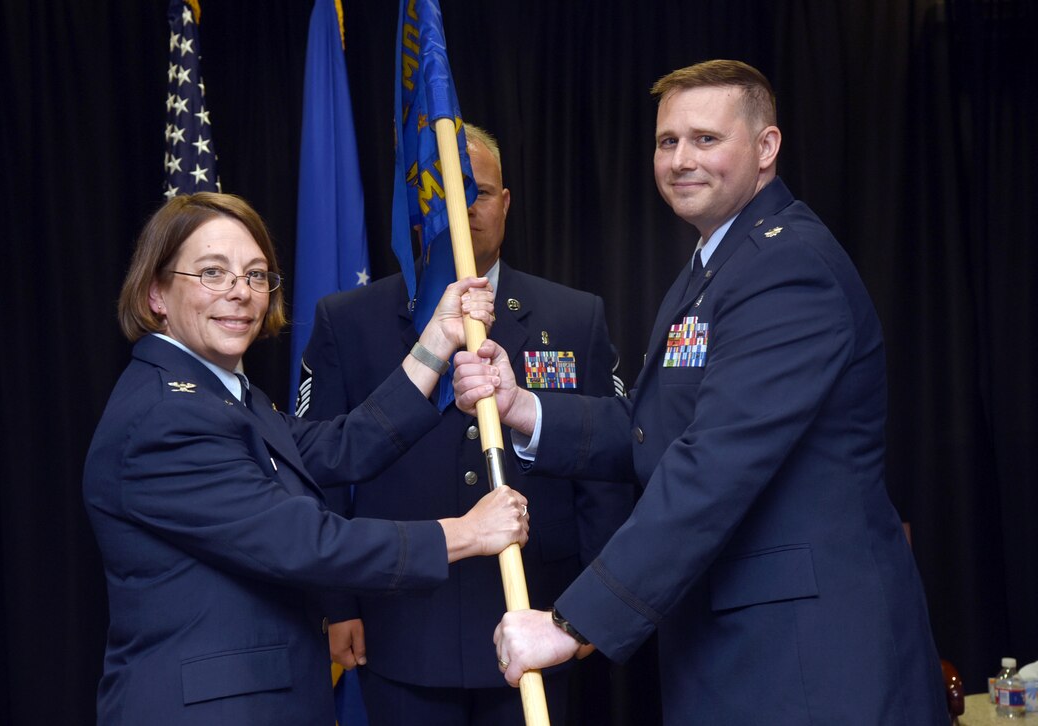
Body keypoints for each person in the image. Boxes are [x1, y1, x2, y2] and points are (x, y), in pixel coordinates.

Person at [453, 60, 947, 724]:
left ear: (766, 149)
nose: (682, 159)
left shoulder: (786, 267)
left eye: (706, 139)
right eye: (667, 141)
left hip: (807, 665)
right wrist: (524, 409)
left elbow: (713, 465)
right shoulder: (717, 264)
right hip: (739, 652)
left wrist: (572, 626)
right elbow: (657, 428)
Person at [82, 192, 531, 726]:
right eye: (212, 273)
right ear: (156, 292)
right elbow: (306, 543)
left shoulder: (224, 395)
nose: (240, 294)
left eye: (255, 275)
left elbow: (341, 445)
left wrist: (438, 338)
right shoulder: (166, 416)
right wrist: (468, 534)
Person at [299, 123, 635, 725]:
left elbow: (606, 471)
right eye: (442, 194)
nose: (463, 209)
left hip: (536, 618)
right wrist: (337, 602)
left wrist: (594, 605)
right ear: (416, 207)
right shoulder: (349, 321)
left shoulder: (575, 316)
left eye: (477, 192)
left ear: (505, 203)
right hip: (402, 624)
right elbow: (318, 469)